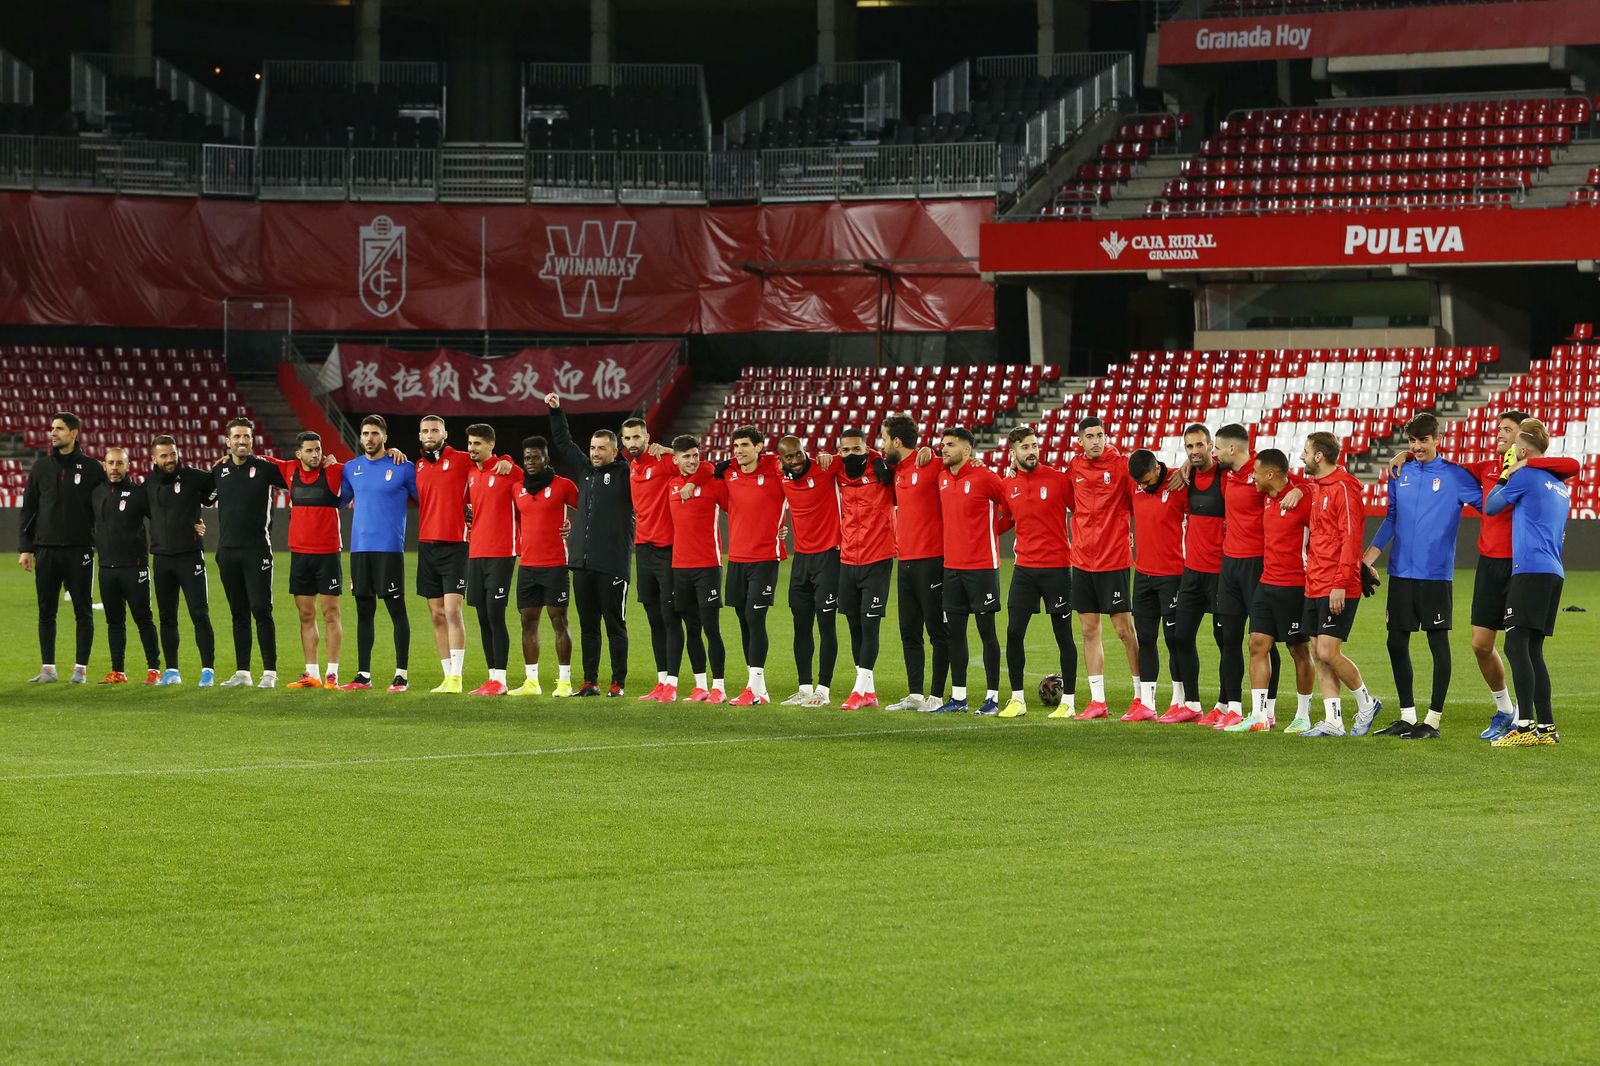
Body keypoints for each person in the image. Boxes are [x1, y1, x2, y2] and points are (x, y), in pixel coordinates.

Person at [1389, 410, 1576, 740]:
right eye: (1500, 428)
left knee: (1520, 644)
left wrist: (1526, 463)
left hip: (1522, 564)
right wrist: (1410, 453)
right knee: (1482, 644)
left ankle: (1529, 720)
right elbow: (1446, 469)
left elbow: (1571, 466)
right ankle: (1508, 711)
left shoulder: (1532, 471)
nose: (1500, 433)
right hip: (1491, 563)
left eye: (1508, 430)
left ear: (1522, 439)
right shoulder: (1487, 468)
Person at [1362, 412, 1482, 738]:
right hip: (1401, 572)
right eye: (1412, 441)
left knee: (1437, 643)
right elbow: (1391, 518)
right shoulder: (1400, 471)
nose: (1417, 447)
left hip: (1435, 575)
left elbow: (1491, 507)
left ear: (1437, 440)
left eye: (1423, 440)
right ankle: (1407, 715)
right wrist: (1368, 558)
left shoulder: (1456, 476)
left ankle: (1432, 720)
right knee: (1395, 641)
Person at [1486, 418, 1571, 747]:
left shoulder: (1528, 476)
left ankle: (1523, 727)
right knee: (1533, 649)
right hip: (1553, 571)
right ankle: (1546, 729)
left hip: (1530, 569)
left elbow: (1492, 506)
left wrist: (1507, 472)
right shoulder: (1558, 485)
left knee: (1514, 644)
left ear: (1522, 449)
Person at [414, 415, 513, 693]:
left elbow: (489, 459)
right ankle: (447, 677)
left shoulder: (461, 459)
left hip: (456, 545)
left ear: (444, 433)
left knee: (452, 610)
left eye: (435, 429)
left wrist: (507, 458)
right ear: (420, 436)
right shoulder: (417, 466)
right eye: (425, 430)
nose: (430, 434)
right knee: (435, 614)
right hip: (426, 545)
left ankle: (457, 678)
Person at [547, 393, 634, 697]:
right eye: (593, 448)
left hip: (612, 564)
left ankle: (618, 682)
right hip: (581, 564)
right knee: (588, 627)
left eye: (602, 448)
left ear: (615, 450)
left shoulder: (627, 474)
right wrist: (556, 411)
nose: (595, 453)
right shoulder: (585, 471)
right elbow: (563, 442)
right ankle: (590, 681)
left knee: (615, 626)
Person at [1300, 432, 1382, 737]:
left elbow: (1351, 538)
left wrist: (1340, 582)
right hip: (1315, 581)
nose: (1302, 456)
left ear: (1319, 456)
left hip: (1338, 583)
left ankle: (1366, 703)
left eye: (1306, 452)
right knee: (1318, 653)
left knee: (1329, 651)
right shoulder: (1317, 487)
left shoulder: (1344, 489)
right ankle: (1333, 720)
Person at [1207, 423, 1286, 729]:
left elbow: (1291, 485)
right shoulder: (1227, 475)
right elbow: (1197, 463)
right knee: (1229, 638)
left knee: (1264, 640)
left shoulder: (1261, 471)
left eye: (1216, 446)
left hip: (1258, 564)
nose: (1213, 452)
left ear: (1232, 449)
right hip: (1230, 565)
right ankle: (1235, 709)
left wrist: (1295, 493)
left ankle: (1269, 709)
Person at [20, 412, 106, 684]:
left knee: (82, 610)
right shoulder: (41, 468)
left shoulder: (92, 468)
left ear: (74, 433)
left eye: (59, 428)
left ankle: (80, 669)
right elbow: (29, 509)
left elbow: (107, 506)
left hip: (79, 550)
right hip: (45, 549)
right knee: (46, 611)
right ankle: (48, 669)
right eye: (52, 428)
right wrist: (26, 548)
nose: (53, 433)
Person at [1235, 449, 1316, 733]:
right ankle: (1259, 716)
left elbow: (1323, 485)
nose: (1252, 477)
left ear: (1270, 474)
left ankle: (1303, 715)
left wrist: (1304, 489)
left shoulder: (1302, 500)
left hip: (1294, 586)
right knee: (1257, 643)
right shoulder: (1267, 497)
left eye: (1256, 472)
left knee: (1298, 649)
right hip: (1266, 583)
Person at [1064, 417, 1140, 720]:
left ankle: (1140, 696)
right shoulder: (1075, 467)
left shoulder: (1121, 466)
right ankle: (1098, 701)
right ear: (1080, 441)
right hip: (1082, 560)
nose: (1096, 441)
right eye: (1090, 436)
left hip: (1114, 560)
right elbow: (1073, 504)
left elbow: (1138, 499)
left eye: (1100, 435)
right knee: (1088, 629)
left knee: (1124, 629)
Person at [998, 425, 1076, 720]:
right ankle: (1017, 700)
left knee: (1063, 635)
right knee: (1014, 632)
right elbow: (1005, 520)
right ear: (1013, 452)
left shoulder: (1058, 480)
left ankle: (1068, 702)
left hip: (1057, 568)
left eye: (1034, 445)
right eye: (1025, 447)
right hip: (1024, 569)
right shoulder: (1008, 485)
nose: (1031, 451)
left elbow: (1083, 510)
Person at [337, 415, 417, 692]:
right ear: (359, 437)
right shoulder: (351, 468)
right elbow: (339, 499)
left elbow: (428, 498)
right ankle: (363, 675)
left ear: (385, 437)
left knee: (397, 611)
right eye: (365, 434)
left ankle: (401, 675)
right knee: (363, 612)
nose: (369, 438)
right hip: (359, 550)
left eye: (374, 433)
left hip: (389, 550)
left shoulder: (403, 468)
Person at [933, 427, 1007, 716]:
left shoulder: (986, 478)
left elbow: (1011, 509)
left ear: (967, 450)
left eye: (950, 445)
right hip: (952, 569)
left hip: (982, 568)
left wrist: (990, 531)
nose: (944, 449)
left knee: (987, 632)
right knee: (955, 634)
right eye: (942, 444)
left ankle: (992, 699)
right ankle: (959, 697)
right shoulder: (941, 477)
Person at [210, 417, 287, 688]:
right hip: (227, 551)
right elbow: (200, 496)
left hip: (257, 550)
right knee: (238, 612)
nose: (242, 441)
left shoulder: (265, 469)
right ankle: (242, 672)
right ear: (228, 441)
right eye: (237, 437)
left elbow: (299, 478)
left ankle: (270, 672)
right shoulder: (219, 471)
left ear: (252, 441)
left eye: (247, 437)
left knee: (261, 609)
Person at [1158, 424, 1225, 723]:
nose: (1195, 451)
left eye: (1200, 445)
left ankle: (1227, 705)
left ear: (1211, 445)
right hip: (1192, 573)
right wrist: (1184, 466)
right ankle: (1193, 704)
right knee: (1180, 636)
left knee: (1228, 641)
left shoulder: (1227, 475)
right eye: (1189, 447)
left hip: (1224, 573)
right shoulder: (1185, 477)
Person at [717, 426, 788, 707]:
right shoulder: (729, 474)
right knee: (744, 620)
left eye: (745, 445)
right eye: (735, 446)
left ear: (759, 447)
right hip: (736, 559)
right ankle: (758, 687)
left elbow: (798, 466)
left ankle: (752, 688)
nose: (738, 451)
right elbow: (696, 465)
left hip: (765, 558)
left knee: (755, 617)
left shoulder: (776, 471)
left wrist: (773, 459)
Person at [882, 414, 948, 712]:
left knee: (937, 630)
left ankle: (936, 695)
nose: (881, 446)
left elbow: (957, 457)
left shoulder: (933, 464)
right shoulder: (894, 468)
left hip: (933, 560)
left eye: (884, 439)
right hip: (905, 560)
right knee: (909, 631)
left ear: (896, 441)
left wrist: (932, 450)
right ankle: (915, 694)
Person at [269, 432, 345, 689]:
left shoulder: (334, 471)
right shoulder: (289, 470)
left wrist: (391, 454)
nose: (316, 455)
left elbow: (365, 467)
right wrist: (231, 457)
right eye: (310, 451)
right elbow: (259, 460)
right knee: (305, 614)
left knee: (331, 613)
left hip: (328, 553)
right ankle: (311, 673)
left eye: (318, 449)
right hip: (300, 554)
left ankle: (332, 675)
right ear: (298, 454)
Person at [834, 427, 897, 712]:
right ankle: (868, 691)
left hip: (878, 557)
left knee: (870, 624)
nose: (850, 455)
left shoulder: (882, 469)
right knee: (854, 626)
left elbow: (909, 462)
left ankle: (859, 690)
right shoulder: (837, 471)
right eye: (845, 450)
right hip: (848, 559)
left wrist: (879, 459)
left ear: (867, 448)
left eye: (856, 449)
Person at [776, 435, 842, 707]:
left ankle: (823, 690)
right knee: (800, 625)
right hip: (801, 559)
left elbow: (862, 455)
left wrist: (830, 454)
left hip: (829, 556)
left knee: (826, 624)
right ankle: (804, 688)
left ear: (806, 452)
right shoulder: (781, 474)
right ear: (781, 460)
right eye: (788, 458)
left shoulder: (826, 467)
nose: (794, 461)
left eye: (798, 454)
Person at [146, 434, 217, 686]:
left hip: (190, 557)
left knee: (199, 613)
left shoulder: (195, 477)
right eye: (164, 455)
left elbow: (217, 488)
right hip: (162, 559)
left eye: (172, 454)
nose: (169, 459)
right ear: (153, 458)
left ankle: (207, 670)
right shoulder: (148, 484)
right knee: (167, 617)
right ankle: (172, 671)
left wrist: (198, 523)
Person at [511, 435, 578, 698]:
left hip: (555, 565)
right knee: (527, 622)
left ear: (546, 459)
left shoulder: (563, 486)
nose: (530, 462)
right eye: (526, 457)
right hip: (527, 566)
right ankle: (531, 682)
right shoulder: (517, 489)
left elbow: (586, 510)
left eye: (535, 457)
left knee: (558, 620)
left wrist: (573, 525)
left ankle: (564, 682)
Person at [667, 435, 729, 703]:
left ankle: (719, 687)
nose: (692, 460)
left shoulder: (713, 483)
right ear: (675, 459)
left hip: (708, 567)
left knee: (711, 628)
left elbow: (736, 511)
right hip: (679, 568)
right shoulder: (670, 484)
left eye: (695, 455)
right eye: (686, 456)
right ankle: (700, 685)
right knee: (691, 628)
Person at [622, 416, 680, 702]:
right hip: (642, 549)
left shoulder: (664, 461)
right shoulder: (632, 468)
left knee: (670, 616)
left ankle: (673, 682)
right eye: (628, 438)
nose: (633, 443)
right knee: (653, 617)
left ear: (647, 436)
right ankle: (661, 681)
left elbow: (698, 461)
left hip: (668, 548)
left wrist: (671, 451)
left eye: (637, 437)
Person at [91, 446, 160, 684]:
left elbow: (161, 518)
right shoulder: (97, 493)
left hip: (135, 567)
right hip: (107, 569)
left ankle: (154, 669)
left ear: (128, 465)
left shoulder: (139, 494)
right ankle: (118, 671)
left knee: (143, 619)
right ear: (104, 465)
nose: (115, 468)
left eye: (120, 463)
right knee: (114, 622)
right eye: (111, 463)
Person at [1127, 448, 1187, 722]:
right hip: (1143, 574)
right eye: (1140, 483)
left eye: (1148, 481)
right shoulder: (1135, 484)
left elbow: (1211, 465)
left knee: (1175, 640)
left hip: (1173, 575)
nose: (1144, 487)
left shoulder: (1179, 481)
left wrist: (1187, 465)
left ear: (1157, 468)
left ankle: (1180, 700)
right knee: (1146, 638)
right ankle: (1147, 703)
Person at [464, 423, 520, 696]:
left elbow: (534, 486)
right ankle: (491, 677)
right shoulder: (472, 473)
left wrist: (509, 460)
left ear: (491, 445)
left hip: (501, 553)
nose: (472, 448)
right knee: (483, 615)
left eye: (477, 444)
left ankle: (502, 679)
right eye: (470, 443)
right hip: (476, 553)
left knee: (496, 614)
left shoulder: (508, 471)